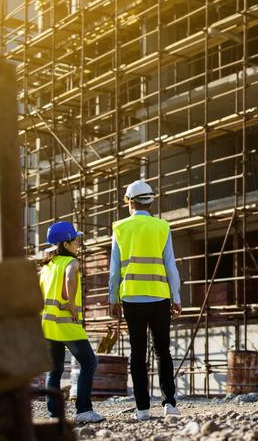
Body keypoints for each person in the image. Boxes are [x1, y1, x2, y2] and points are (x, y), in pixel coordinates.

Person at [109, 179, 183, 420]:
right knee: (163, 351)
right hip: (160, 297)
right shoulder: (162, 227)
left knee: (137, 353)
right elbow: (170, 265)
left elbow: (114, 268)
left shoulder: (119, 228)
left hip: (131, 298)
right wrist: (176, 296)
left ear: (130, 202)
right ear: (150, 202)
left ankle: (142, 409)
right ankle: (169, 404)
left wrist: (113, 297)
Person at [39, 221, 105, 424]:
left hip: (48, 325)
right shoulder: (72, 263)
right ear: (66, 243)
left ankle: (54, 415)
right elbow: (69, 279)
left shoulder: (47, 266)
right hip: (67, 323)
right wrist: (69, 302)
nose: (78, 243)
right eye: (76, 240)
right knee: (89, 363)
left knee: (55, 370)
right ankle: (84, 410)